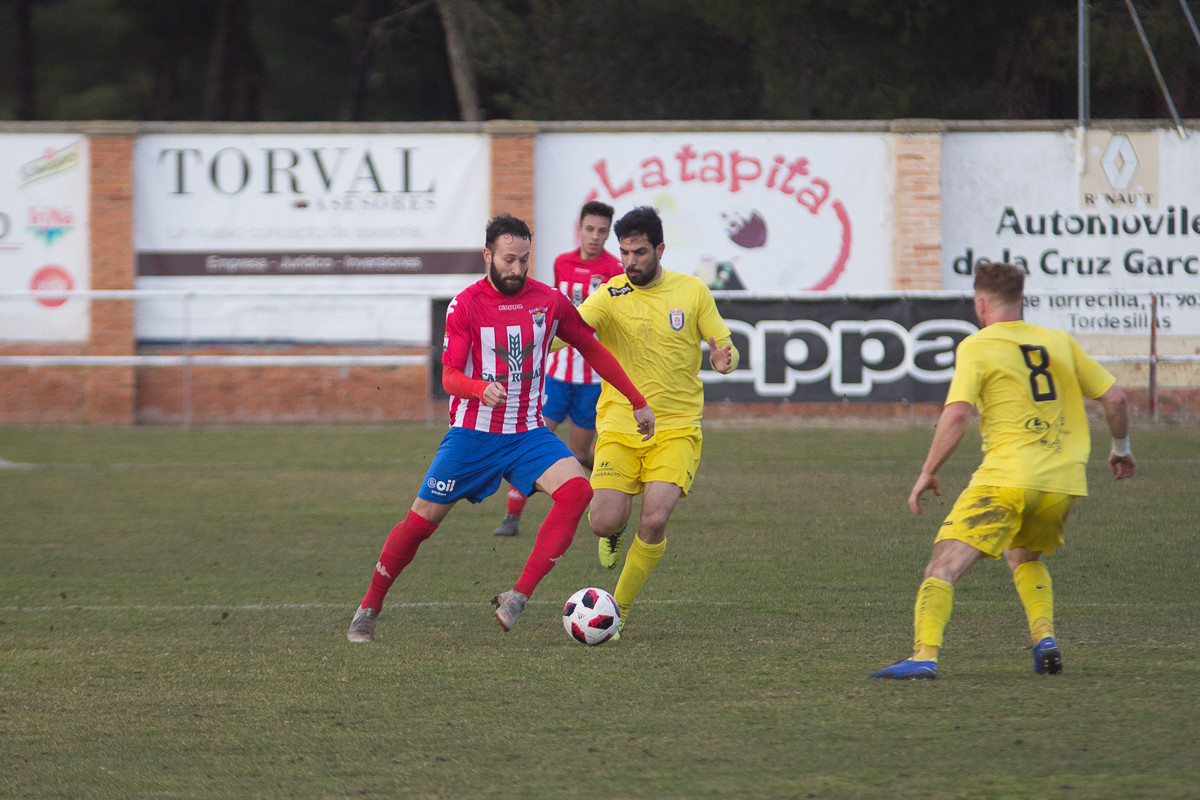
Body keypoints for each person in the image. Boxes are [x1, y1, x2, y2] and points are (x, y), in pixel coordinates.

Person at [346, 213, 655, 643]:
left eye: (524, 260)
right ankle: (369, 607)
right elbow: (449, 375)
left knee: (578, 492)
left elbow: (590, 347)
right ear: (488, 255)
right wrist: (478, 389)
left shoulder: (548, 301)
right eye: (508, 259)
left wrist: (637, 401)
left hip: (528, 433)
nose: (516, 269)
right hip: (472, 436)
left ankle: (518, 596)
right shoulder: (466, 304)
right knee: (420, 524)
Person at [870, 261, 1135, 680]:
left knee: (943, 566)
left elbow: (957, 415)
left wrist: (928, 470)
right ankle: (1044, 639)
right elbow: (1116, 400)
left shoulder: (978, 345)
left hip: (1005, 479)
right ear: (1021, 300)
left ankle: (924, 654)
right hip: (1062, 483)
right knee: (1023, 556)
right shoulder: (1059, 341)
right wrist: (1121, 449)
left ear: (980, 305)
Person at [572, 205, 739, 640]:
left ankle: (617, 611)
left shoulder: (693, 291)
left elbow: (724, 344)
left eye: (640, 252)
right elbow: (571, 331)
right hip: (617, 425)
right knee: (602, 522)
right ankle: (614, 530)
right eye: (624, 252)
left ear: (659, 249)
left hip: (677, 427)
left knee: (656, 520)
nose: (630, 262)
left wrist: (725, 358)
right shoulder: (608, 294)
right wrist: (541, 340)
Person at [492, 200, 625, 537]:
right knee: (530, 438)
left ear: (608, 235)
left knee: (580, 451)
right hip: (555, 375)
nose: (595, 237)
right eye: (589, 229)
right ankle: (512, 517)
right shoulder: (561, 263)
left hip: (591, 380)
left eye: (602, 231)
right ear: (579, 229)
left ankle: (616, 486)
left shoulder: (615, 270)